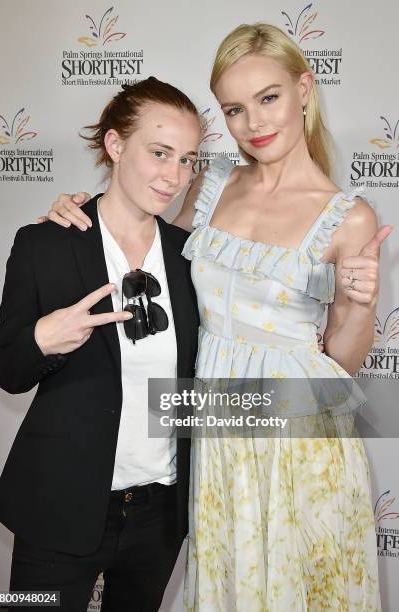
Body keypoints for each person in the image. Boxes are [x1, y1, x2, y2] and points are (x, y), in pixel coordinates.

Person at [44, 24, 389, 611]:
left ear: (304, 89)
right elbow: (141, 244)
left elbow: (344, 363)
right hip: (214, 428)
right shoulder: (208, 185)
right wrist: (84, 206)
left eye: (269, 97)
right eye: (234, 108)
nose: (254, 122)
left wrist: (359, 303)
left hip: (296, 440)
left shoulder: (349, 216)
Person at [0, 77, 201, 611]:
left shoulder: (192, 256)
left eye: (187, 159)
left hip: (161, 512)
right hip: (59, 504)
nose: (174, 176)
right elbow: (8, 371)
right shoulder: (45, 243)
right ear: (115, 144)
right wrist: (44, 338)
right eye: (159, 153)